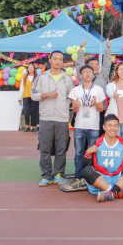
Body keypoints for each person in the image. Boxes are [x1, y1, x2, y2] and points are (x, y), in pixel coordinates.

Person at [31, 51, 74, 187]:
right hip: (46, 118)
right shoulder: (41, 77)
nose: (57, 61)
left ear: (63, 62)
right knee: (45, 149)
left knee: (61, 149)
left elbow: (72, 97)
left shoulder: (67, 79)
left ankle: (58, 174)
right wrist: (46, 94)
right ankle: (46, 176)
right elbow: (33, 95)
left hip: (62, 119)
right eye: (55, 59)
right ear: (50, 60)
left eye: (60, 59)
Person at [82, 115, 123, 202]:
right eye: (109, 126)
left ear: (118, 127)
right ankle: (115, 191)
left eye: (115, 126)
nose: (113, 129)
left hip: (118, 179)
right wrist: (88, 152)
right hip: (101, 179)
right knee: (87, 170)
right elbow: (85, 165)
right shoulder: (96, 143)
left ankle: (110, 193)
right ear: (104, 127)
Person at [69, 65, 107, 181]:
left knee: (92, 152)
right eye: (84, 72)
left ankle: (90, 176)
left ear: (93, 74)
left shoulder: (98, 90)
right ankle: (78, 176)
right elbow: (74, 109)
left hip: (93, 126)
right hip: (79, 126)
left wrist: (95, 103)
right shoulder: (76, 90)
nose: (87, 74)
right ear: (80, 75)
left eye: (89, 72)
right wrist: (76, 106)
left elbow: (101, 109)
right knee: (79, 153)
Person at [75, 38, 112, 135]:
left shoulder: (103, 76)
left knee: (98, 135)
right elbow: (79, 64)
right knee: (84, 135)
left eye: (97, 65)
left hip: (99, 110)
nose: (94, 66)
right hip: (84, 109)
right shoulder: (82, 76)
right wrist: (81, 48)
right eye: (91, 64)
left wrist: (108, 49)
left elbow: (107, 64)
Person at [105, 62, 123, 138]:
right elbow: (109, 93)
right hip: (114, 121)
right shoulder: (111, 85)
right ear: (117, 71)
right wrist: (113, 95)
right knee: (114, 142)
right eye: (121, 69)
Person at [17, 63, 39, 132]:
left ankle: (32, 126)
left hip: (34, 96)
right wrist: (20, 97)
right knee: (26, 111)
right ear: (27, 69)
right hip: (26, 96)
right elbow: (22, 88)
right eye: (29, 67)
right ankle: (27, 125)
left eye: (32, 67)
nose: (30, 69)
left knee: (34, 111)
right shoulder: (24, 78)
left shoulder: (37, 77)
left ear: (34, 69)